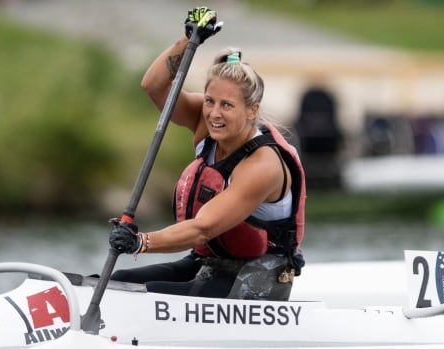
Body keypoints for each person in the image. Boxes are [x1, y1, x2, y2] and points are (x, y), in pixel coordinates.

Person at [109, 6, 306, 300]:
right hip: (208, 264)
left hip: (259, 278)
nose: (214, 113)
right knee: (119, 283)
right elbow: (153, 86)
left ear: (252, 110)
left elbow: (203, 228)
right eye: (210, 101)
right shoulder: (206, 122)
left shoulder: (262, 166)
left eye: (227, 105)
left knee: (145, 295)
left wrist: (140, 242)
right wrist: (189, 40)